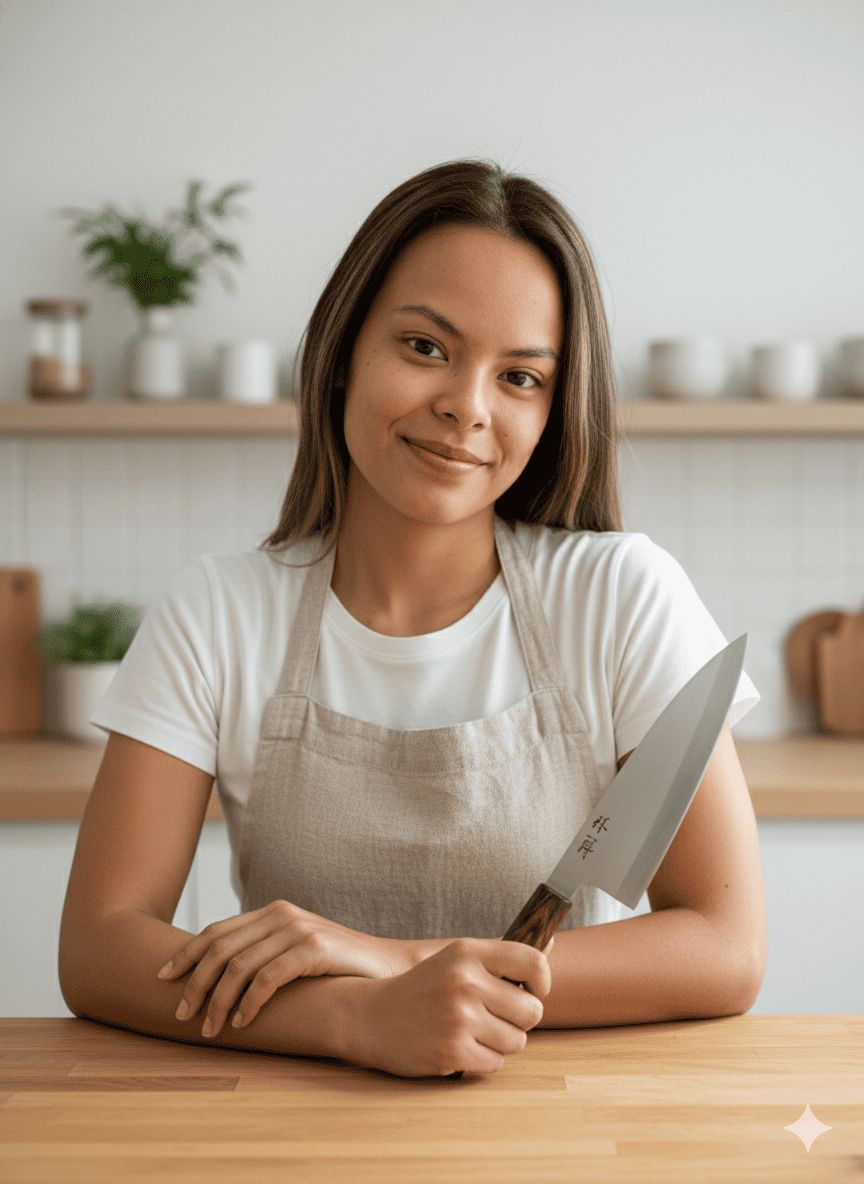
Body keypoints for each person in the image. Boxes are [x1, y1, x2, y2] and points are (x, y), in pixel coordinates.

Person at [59, 158, 766, 1080]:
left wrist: (401, 961)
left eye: (519, 377)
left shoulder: (621, 595)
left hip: (555, 1123)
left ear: (555, 410)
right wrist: (356, 1018)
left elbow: (723, 949)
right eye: (426, 347)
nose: (465, 408)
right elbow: (101, 949)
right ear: (346, 346)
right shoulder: (218, 611)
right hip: (283, 1120)